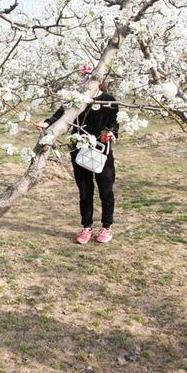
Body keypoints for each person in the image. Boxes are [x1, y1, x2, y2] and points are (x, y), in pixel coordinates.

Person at [37, 66, 119, 244]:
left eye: (89, 77)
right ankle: (86, 226)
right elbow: (60, 114)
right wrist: (47, 122)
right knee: (84, 190)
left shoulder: (108, 100)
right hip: (78, 149)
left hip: (101, 151)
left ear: (99, 79)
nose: (85, 80)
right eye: (84, 77)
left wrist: (112, 133)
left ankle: (106, 227)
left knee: (106, 190)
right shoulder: (76, 99)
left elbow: (114, 122)